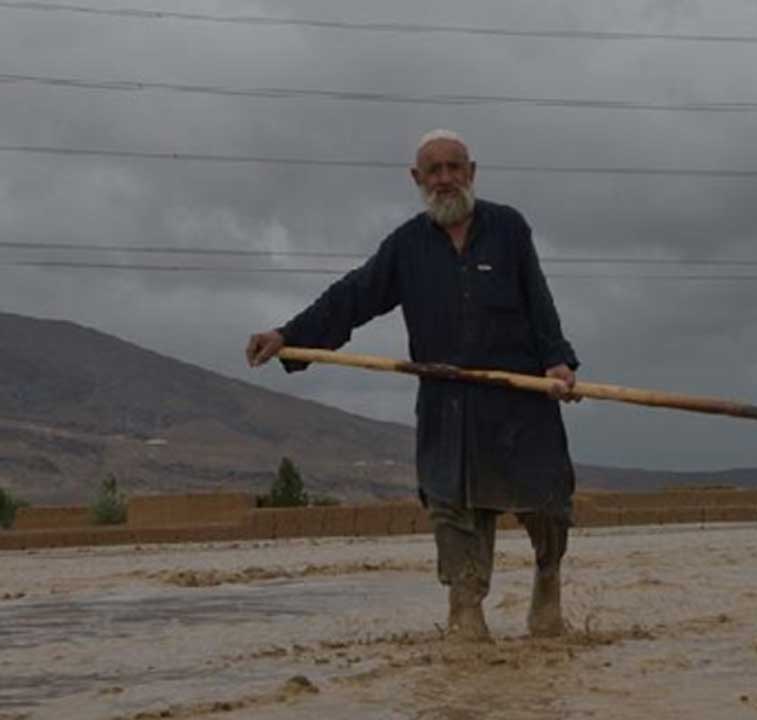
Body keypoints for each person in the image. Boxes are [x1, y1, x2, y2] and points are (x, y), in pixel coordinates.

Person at [246, 129, 580, 640]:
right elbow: (353, 296)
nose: (445, 179)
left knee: (548, 506)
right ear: (417, 179)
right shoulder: (406, 246)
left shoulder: (508, 228)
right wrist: (288, 334)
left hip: (520, 403)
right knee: (454, 512)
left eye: (454, 167)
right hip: (448, 408)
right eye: (434, 170)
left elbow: (539, 303)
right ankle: (465, 615)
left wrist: (557, 363)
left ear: (472, 172)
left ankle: (547, 583)